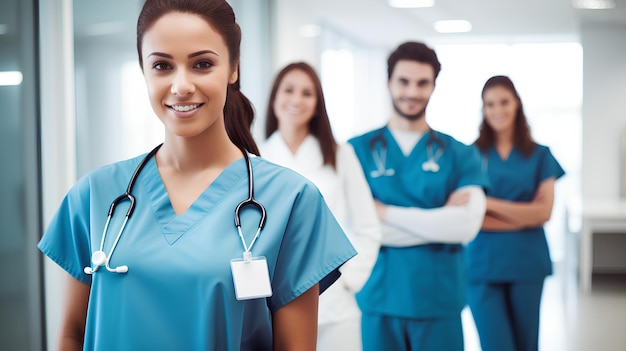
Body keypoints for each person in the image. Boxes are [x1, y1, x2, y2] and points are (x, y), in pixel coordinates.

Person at [36, 1, 357, 350]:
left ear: (233, 68)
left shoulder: (292, 201)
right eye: (162, 65)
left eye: (202, 64)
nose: (181, 85)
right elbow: (71, 333)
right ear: (143, 70)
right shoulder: (95, 196)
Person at [347, 41, 489, 351]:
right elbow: (349, 225)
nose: (412, 92)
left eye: (422, 83)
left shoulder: (461, 154)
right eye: (404, 81)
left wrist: (382, 213)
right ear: (388, 82)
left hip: (438, 300)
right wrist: (436, 221)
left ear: (434, 86)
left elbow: (464, 227)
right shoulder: (354, 151)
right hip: (378, 297)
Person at [260, 62, 382, 351]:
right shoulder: (255, 156)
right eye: (288, 90)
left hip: (335, 307)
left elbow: (368, 224)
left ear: (317, 104)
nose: (296, 100)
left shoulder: (341, 155)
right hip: (273, 303)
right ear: (274, 98)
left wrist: (348, 279)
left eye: (307, 93)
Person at [466, 75, 565, 351]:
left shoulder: (542, 155)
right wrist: (525, 215)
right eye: (489, 104)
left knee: (526, 346)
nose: (497, 110)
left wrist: (490, 204)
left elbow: (544, 213)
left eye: (504, 101)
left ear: (517, 103)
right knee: (495, 345)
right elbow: (470, 218)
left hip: (527, 265)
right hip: (482, 267)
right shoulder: (470, 155)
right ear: (483, 109)